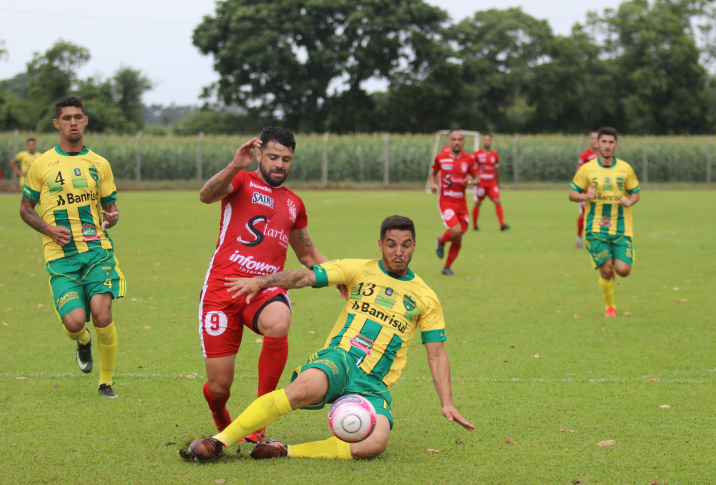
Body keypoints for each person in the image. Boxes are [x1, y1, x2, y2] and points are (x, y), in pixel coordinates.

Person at [185, 215, 474, 462]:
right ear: (380, 244)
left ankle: (282, 451)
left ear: (414, 246)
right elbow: (304, 277)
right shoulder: (358, 269)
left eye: (406, 245)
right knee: (300, 390)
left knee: (375, 444)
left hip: (374, 383)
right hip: (341, 358)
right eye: (391, 244)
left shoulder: (426, 297)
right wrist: (262, 281)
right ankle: (218, 442)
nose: (398, 252)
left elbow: (436, 353)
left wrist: (446, 403)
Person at [197, 127, 340, 444]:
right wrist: (236, 164)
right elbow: (206, 195)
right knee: (219, 386)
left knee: (279, 319)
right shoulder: (241, 181)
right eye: (273, 157)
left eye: (286, 159)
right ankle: (220, 415)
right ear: (259, 155)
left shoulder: (294, 203)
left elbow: (307, 253)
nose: (279, 164)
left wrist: (339, 275)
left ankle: (259, 420)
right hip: (223, 289)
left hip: (264, 288)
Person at [19, 97, 124, 398]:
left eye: (78, 116)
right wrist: (49, 229)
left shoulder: (99, 164)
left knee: (102, 314)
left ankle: (106, 382)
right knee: (75, 321)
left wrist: (113, 218)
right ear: (57, 124)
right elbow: (25, 209)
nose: (73, 122)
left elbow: (111, 209)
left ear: (86, 120)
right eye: (67, 118)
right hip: (60, 256)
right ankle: (82, 340)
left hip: (96, 250)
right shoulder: (41, 164)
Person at [569, 127, 640, 317]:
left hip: (622, 228)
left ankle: (612, 268)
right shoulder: (587, 168)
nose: (607, 146)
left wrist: (629, 200)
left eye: (611, 142)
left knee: (623, 270)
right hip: (595, 227)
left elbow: (636, 194)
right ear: (597, 144)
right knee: (606, 270)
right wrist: (584, 195)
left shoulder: (625, 168)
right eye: (604, 142)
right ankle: (610, 307)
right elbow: (571, 194)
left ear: (616, 144)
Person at [430, 130, 478, 276]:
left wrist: (472, 181)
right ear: (449, 142)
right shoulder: (441, 158)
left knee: (459, 235)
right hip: (446, 200)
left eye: (460, 140)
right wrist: (433, 184)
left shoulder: (469, 159)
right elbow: (433, 173)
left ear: (464, 142)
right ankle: (442, 241)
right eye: (454, 139)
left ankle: (446, 266)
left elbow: (477, 179)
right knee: (456, 230)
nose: (457, 142)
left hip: (461, 202)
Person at [471, 133, 509, 232]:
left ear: (491, 142)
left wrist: (497, 183)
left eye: (489, 140)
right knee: (478, 203)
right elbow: (471, 167)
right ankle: (475, 225)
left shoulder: (494, 155)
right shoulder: (477, 154)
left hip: (491, 183)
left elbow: (497, 170)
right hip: (481, 183)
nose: (487, 141)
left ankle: (502, 224)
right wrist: (474, 179)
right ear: (482, 142)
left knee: (497, 201)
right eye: (485, 140)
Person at [575, 131, 599, 248]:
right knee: (585, 215)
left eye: (597, 139)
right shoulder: (585, 155)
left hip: (602, 191)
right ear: (589, 140)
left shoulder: (606, 155)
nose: (595, 141)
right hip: (587, 192)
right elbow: (578, 173)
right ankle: (579, 238)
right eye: (593, 139)